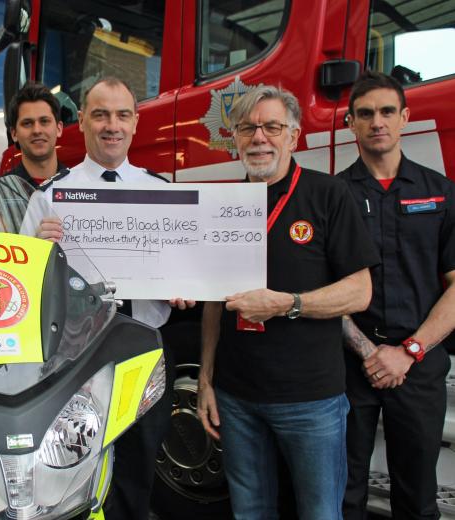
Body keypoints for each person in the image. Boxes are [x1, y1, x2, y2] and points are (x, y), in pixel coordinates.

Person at [196, 85, 379, 519]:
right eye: (247, 128)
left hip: (310, 400)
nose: (259, 137)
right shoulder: (221, 204)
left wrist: (286, 304)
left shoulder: (328, 194)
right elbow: (213, 304)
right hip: (236, 397)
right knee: (250, 511)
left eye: (272, 127)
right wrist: (205, 380)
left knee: (320, 512)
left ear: (293, 136)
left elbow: (360, 291)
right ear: (235, 138)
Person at [20, 76, 193, 520]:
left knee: (142, 460)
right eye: (100, 115)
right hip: (78, 352)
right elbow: (24, 288)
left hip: (147, 347)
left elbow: (186, 272)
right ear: (81, 122)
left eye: (121, 115)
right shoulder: (49, 197)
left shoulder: (165, 193)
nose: (111, 126)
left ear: (135, 123)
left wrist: (186, 287)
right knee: (77, 460)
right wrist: (38, 252)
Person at [339, 71, 455, 520]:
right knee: (343, 494)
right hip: (348, 366)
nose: (377, 122)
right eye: (365, 113)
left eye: (387, 111)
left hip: (419, 365)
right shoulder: (332, 196)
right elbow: (318, 289)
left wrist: (409, 351)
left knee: (418, 498)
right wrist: (369, 353)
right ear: (350, 122)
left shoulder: (439, 192)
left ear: (405, 117)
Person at [3, 82, 66, 185]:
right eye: (27, 123)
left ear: (59, 128)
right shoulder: (0, 190)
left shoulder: (80, 186)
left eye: (44, 121)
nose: (37, 130)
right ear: (14, 134)